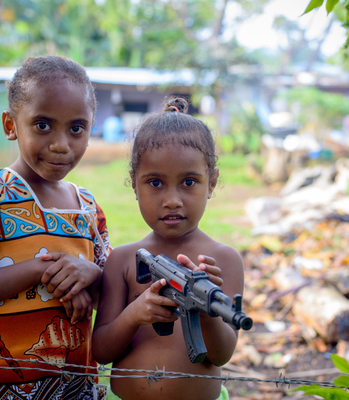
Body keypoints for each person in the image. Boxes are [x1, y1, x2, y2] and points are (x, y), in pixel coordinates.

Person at [0, 55, 111, 400]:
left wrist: (89, 273)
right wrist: (39, 269)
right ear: (10, 125)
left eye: (76, 128)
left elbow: (106, 298)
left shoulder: (89, 208)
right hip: (6, 388)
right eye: (43, 125)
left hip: (78, 388)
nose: (61, 144)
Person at [92, 97, 245, 400]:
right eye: (155, 182)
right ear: (134, 186)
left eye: (189, 182)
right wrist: (135, 314)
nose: (172, 199)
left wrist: (205, 311)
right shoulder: (123, 260)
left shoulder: (223, 260)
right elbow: (101, 351)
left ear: (211, 183)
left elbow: (221, 355)